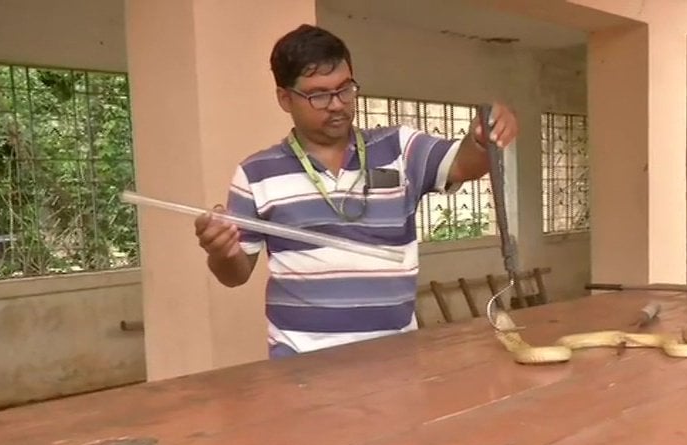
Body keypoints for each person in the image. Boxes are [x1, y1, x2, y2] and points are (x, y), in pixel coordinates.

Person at [195, 24, 518, 359]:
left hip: (395, 356)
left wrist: (483, 139)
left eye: (345, 89)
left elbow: (466, 164)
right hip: (300, 362)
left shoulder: (400, 148)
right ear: (284, 98)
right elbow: (234, 275)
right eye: (318, 95)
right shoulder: (256, 174)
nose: (336, 105)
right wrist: (222, 251)